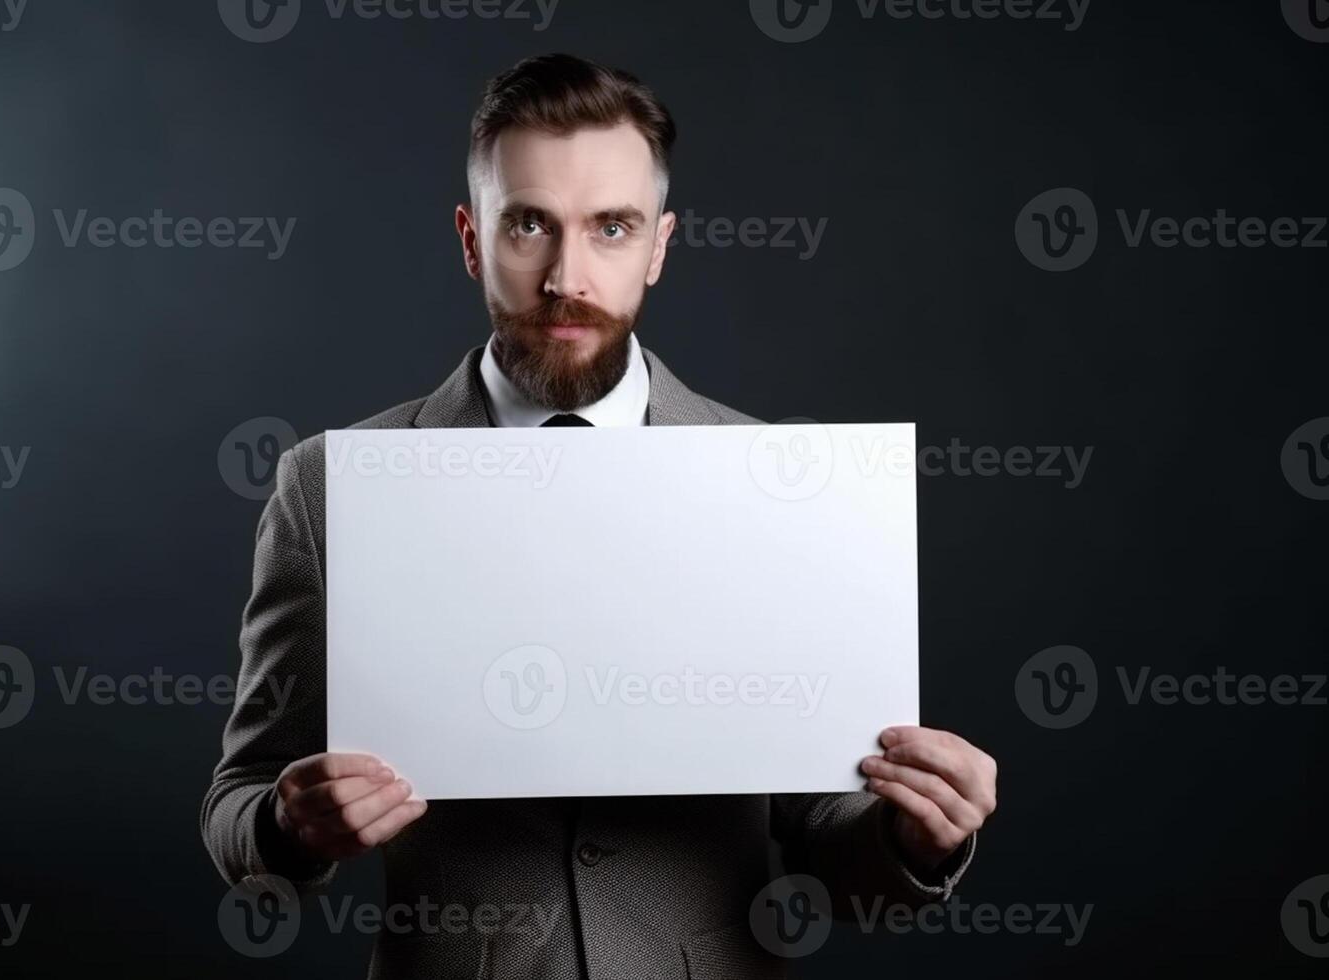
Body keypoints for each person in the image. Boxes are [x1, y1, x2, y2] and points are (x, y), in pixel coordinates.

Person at [202, 51, 997, 979]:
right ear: (472, 238)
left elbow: (824, 836)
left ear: (659, 244)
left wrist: (918, 836)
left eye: (611, 228)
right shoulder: (327, 488)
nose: (567, 276)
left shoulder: (779, 487)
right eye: (529, 224)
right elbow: (237, 804)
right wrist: (287, 827)